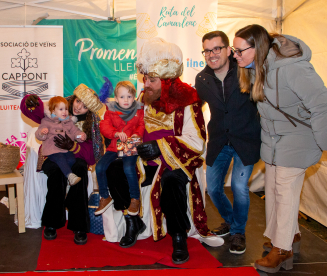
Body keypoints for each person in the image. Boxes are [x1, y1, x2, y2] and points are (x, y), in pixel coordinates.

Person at [233, 24, 327, 273]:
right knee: (273, 189)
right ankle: (289, 236)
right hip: (275, 139)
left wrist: (326, 142)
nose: (235, 56)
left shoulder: (293, 69)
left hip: (300, 137)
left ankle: (283, 249)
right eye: (233, 50)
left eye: (239, 51)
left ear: (257, 47)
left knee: (285, 191)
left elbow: (322, 103)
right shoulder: (257, 68)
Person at [106, 37, 210, 264]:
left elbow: (197, 142)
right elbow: (136, 125)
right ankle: (133, 221)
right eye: (145, 79)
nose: (146, 84)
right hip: (145, 160)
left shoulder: (188, 101)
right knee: (114, 169)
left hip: (176, 160)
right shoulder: (146, 98)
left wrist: (160, 146)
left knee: (172, 181)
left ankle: (179, 236)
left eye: (152, 80)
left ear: (167, 81)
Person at [195, 30, 261, 255]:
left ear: (228, 50)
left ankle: (238, 233)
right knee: (213, 188)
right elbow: (193, 107)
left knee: (239, 187)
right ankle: (232, 223)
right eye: (207, 50)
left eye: (216, 48)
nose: (211, 54)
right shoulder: (202, 79)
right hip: (219, 140)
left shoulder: (246, 70)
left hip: (246, 139)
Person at [21, 81, 111, 245]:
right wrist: (30, 101)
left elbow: (91, 157)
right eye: (78, 101)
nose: (78, 107)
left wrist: (73, 146)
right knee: (55, 173)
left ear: (89, 110)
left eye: (84, 106)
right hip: (53, 156)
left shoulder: (92, 125)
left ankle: (80, 226)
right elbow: (35, 112)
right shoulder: (59, 109)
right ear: (74, 98)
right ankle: (51, 222)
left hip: (76, 159)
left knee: (80, 171)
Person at [94, 81, 144, 216]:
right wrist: (115, 133)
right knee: (99, 167)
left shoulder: (139, 109)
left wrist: (137, 134)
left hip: (130, 146)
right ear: (116, 99)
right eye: (122, 97)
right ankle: (105, 197)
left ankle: (135, 199)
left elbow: (141, 125)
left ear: (134, 97)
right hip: (113, 147)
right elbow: (104, 126)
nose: (126, 100)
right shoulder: (110, 110)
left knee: (128, 168)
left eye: (129, 96)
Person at [36, 96, 87, 186]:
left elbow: (75, 131)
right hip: (53, 151)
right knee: (60, 159)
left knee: (72, 160)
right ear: (53, 111)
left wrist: (80, 136)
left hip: (66, 150)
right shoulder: (46, 121)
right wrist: (42, 133)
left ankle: (68, 180)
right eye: (61, 109)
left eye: (66, 109)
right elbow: (38, 134)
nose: (65, 112)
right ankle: (70, 176)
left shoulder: (69, 122)